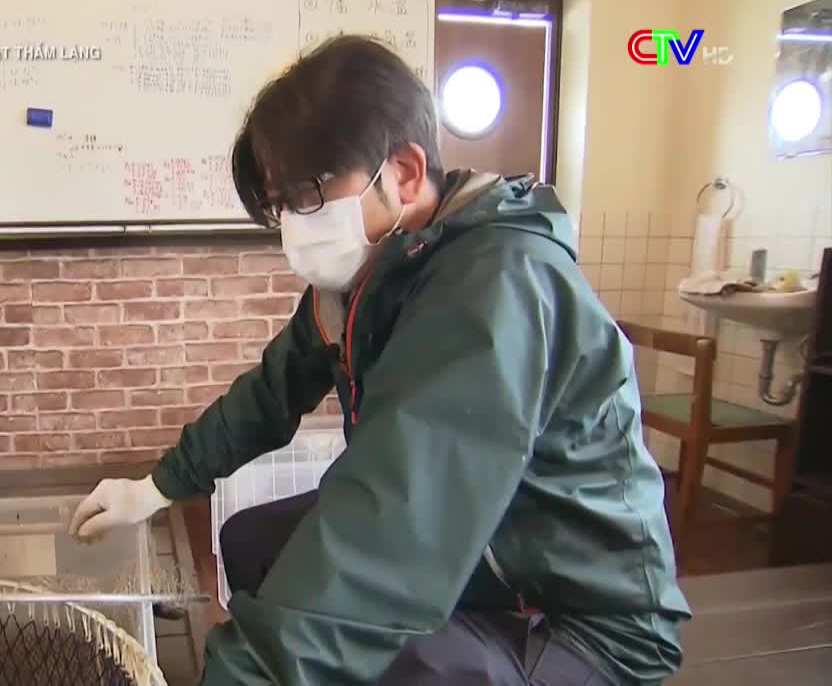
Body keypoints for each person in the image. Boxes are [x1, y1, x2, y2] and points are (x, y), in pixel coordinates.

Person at [68, 34, 691, 685]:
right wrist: (160, 486)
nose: (294, 225)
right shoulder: (367, 277)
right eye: (282, 205)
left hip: (579, 616)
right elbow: (273, 389)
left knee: (397, 658)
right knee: (250, 542)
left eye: (310, 194)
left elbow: (393, 521)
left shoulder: (501, 283)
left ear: (405, 171)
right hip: (484, 555)